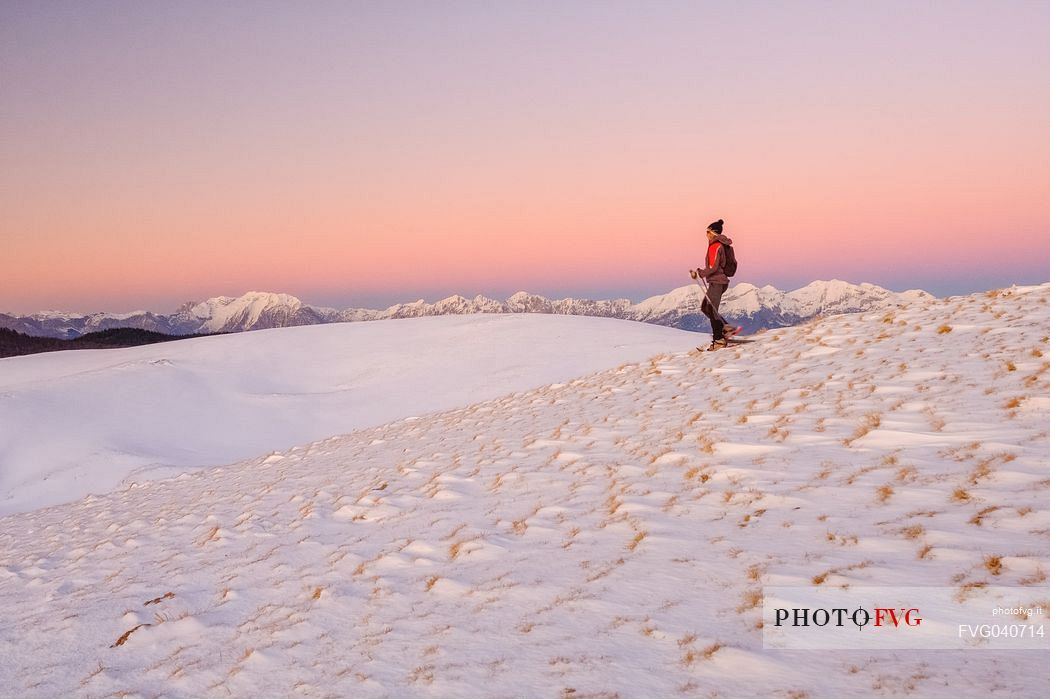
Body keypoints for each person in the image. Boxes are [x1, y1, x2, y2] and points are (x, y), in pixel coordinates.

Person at [692, 218, 738, 351]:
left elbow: (712, 267)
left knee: (711, 310)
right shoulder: (722, 245)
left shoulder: (715, 246)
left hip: (717, 282)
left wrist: (700, 273)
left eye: (707, 231)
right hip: (719, 281)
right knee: (706, 308)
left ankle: (718, 340)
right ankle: (726, 329)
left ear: (713, 232)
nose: (706, 234)